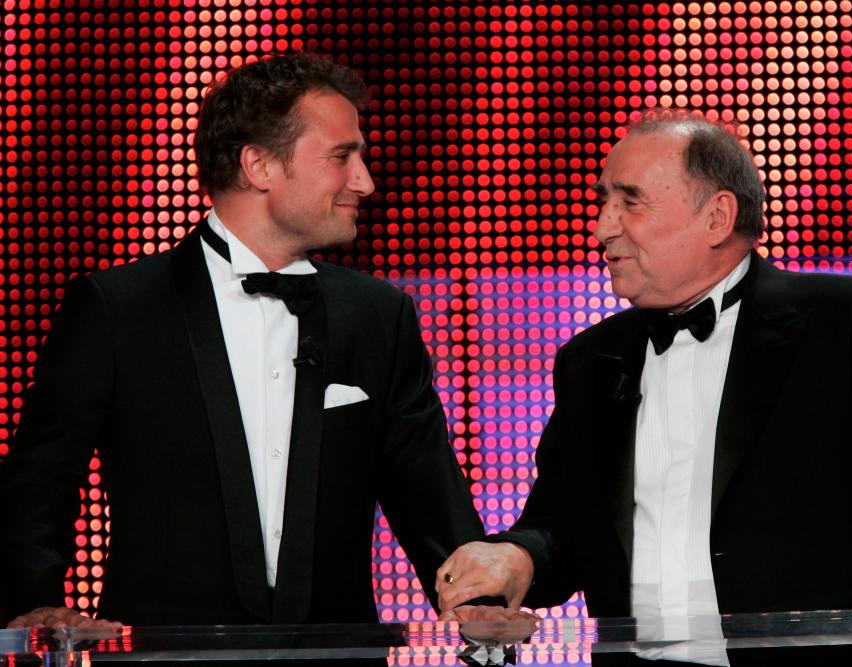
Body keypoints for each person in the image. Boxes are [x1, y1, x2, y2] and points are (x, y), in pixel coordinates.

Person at [433, 111, 852, 664]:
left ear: (717, 217)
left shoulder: (846, 321)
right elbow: (563, 527)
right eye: (603, 202)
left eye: (629, 201)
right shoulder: (590, 360)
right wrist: (518, 558)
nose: (603, 226)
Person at [0, 52, 493, 628]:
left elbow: (428, 492)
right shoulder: (119, 308)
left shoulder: (378, 316)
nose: (366, 181)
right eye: (343, 157)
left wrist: (480, 610)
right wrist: (33, 604)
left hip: (334, 661)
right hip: (162, 660)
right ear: (259, 165)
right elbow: (40, 478)